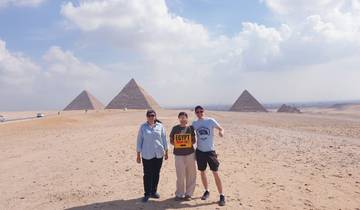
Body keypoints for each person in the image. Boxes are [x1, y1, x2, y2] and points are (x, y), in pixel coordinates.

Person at [192, 105, 226, 206]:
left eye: (201, 111)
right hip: (200, 151)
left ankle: (222, 195)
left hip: (210, 151)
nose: (199, 113)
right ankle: (207, 191)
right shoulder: (194, 123)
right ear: (195, 113)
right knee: (202, 172)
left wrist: (221, 132)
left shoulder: (210, 121)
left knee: (215, 172)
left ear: (204, 111)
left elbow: (221, 128)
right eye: (197, 112)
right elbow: (187, 133)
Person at [136, 110, 168, 203]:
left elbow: (164, 139)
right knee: (147, 174)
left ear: (155, 116)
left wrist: (166, 152)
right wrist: (138, 155)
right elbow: (139, 141)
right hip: (147, 154)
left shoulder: (160, 126)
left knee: (156, 173)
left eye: (153, 115)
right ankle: (147, 193)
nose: (151, 117)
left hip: (159, 154)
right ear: (147, 117)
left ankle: (153, 191)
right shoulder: (143, 127)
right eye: (149, 115)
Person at [169, 112, 197, 201]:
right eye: (181, 117)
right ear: (179, 118)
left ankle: (189, 194)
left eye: (184, 117)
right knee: (180, 174)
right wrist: (177, 144)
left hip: (190, 154)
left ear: (187, 119)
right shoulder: (175, 128)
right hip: (178, 154)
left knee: (191, 174)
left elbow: (194, 140)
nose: (182, 119)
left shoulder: (190, 128)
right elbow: (171, 140)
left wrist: (187, 143)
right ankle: (179, 194)